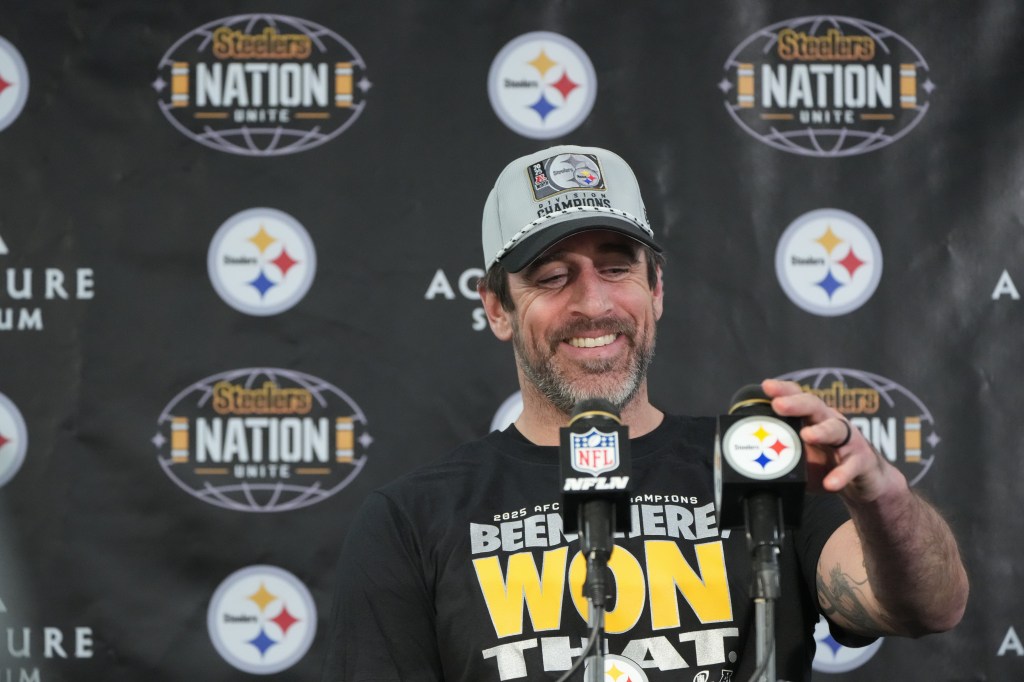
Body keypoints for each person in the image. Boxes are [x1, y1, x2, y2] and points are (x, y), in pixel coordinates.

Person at [320, 145, 968, 681]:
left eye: (616, 267)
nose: (593, 302)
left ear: (656, 290)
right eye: (552, 276)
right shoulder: (411, 520)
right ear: (496, 307)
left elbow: (927, 608)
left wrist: (879, 497)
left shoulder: (764, 467)